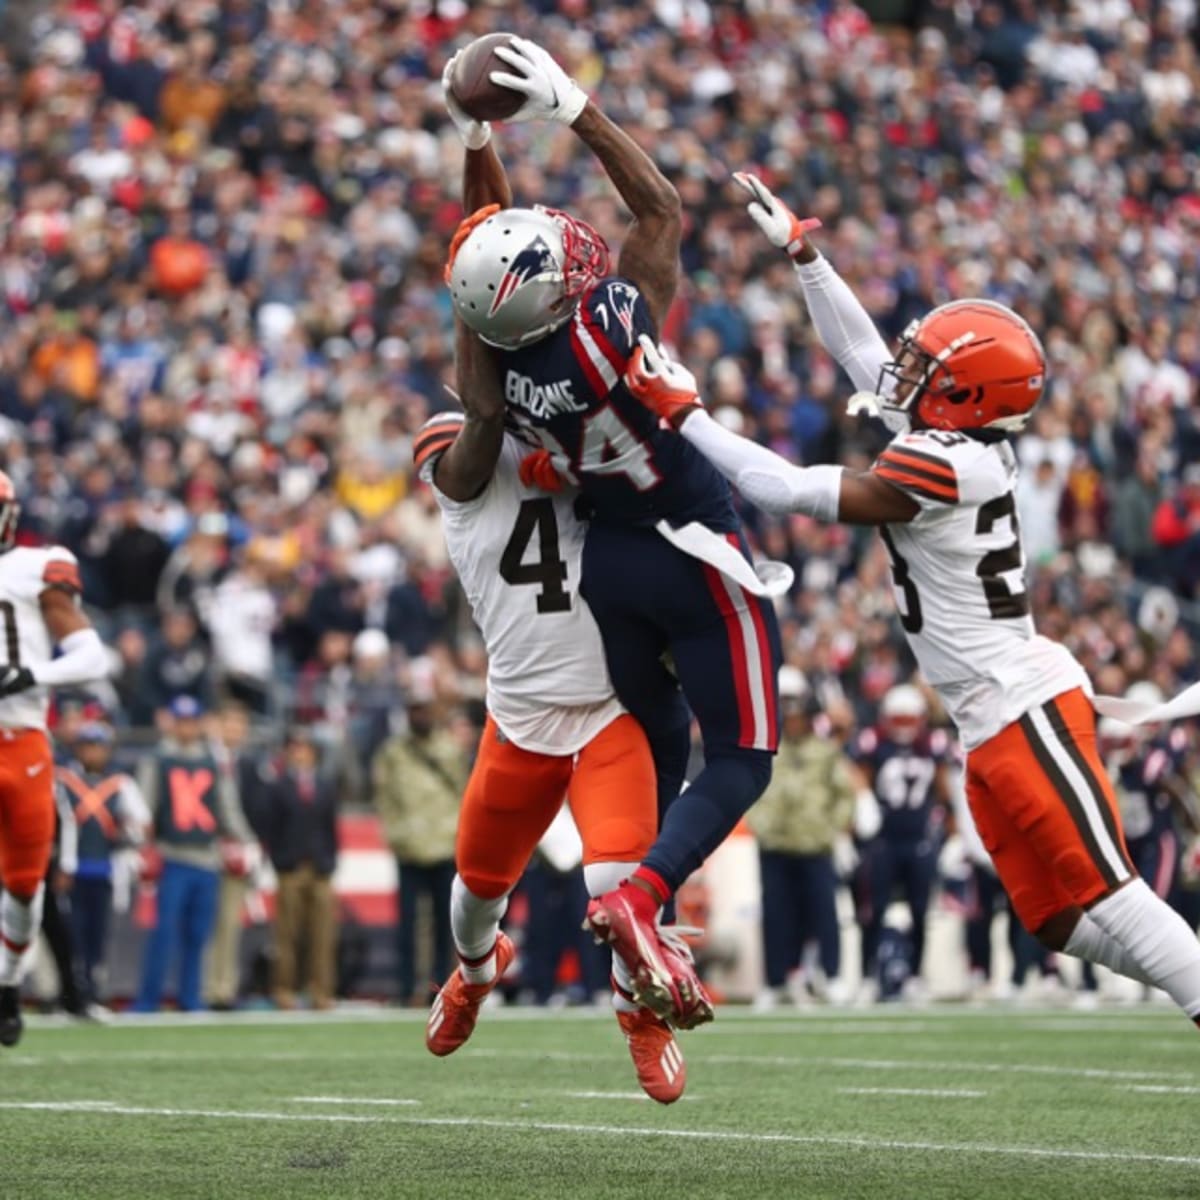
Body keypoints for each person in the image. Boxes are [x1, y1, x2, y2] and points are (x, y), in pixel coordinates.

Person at [620, 173, 1200, 1030]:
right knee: (1059, 919)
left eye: (930, 365)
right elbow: (865, 356)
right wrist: (806, 257)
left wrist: (688, 415)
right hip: (987, 720)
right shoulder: (955, 440)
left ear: (968, 396)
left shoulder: (949, 465)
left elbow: (785, 489)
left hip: (1022, 704)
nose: (906, 370)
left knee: (1113, 895)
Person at [443, 37, 783, 1029]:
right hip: (691, 539)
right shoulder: (611, 319)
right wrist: (572, 107)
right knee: (738, 760)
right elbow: (661, 208)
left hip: (616, 574)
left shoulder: (499, 386)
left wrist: (473, 137)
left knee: (660, 740)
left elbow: (482, 255)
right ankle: (644, 910)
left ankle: (635, 932)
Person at [409, 317, 683, 1103]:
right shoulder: (459, 446)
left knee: (620, 878)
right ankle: (475, 971)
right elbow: (473, 447)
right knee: (476, 890)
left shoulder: (578, 435)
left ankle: (640, 1016)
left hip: (606, 707)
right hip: (522, 715)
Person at [0, 470, 110, 1047]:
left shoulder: (33, 568)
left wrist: (29, 673)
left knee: (24, 885)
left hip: (22, 743)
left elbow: (93, 657)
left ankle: (8, 983)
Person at [746, 666, 857, 1009]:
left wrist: (831, 827)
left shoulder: (824, 751)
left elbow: (845, 794)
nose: (791, 716)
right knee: (776, 915)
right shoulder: (762, 750)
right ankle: (776, 981)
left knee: (824, 913)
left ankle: (832, 976)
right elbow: (745, 791)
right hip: (775, 844)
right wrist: (759, 824)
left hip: (814, 844)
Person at [134, 694, 254, 1012]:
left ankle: (191, 997)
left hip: (206, 857)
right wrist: (142, 846)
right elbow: (145, 809)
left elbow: (227, 809)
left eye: (191, 721)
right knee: (164, 933)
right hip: (172, 855)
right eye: (181, 721)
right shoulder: (158, 759)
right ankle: (149, 998)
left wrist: (248, 841)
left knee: (199, 936)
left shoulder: (212, 762)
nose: (187, 728)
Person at [852, 685, 951, 1003]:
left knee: (920, 911)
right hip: (882, 841)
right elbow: (859, 778)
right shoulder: (874, 743)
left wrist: (955, 835)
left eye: (910, 719)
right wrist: (863, 800)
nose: (905, 726)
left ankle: (915, 976)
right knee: (874, 911)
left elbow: (944, 791)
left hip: (919, 839)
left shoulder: (934, 744)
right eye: (899, 719)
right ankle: (868, 976)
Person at [372, 674, 465, 1010]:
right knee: (407, 924)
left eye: (425, 709)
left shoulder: (450, 749)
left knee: (445, 925)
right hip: (410, 846)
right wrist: (396, 834)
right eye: (415, 710)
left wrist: (457, 833)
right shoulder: (393, 752)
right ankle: (404, 986)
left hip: (443, 844)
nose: (420, 716)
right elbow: (384, 797)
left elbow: (465, 792)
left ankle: (439, 986)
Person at [57, 721, 148, 1010]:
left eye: (98, 747)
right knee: (69, 933)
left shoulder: (120, 784)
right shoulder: (63, 780)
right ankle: (69, 990)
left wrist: (127, 834)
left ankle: (93, 988)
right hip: (69, 869)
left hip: (105, 868)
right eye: (87, 746)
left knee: (98, 933)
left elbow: (141, 824)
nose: (93, 753)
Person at [261, 725, 339, 1011]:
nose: (301, 755)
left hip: (320, 867)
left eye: (305, 749)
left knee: (323, 935)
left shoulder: (325, 786)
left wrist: (330, 861)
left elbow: (330, 827)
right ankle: (284, 989)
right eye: (295, 749)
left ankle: (321, 990)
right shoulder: (278, 787)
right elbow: (272, 827)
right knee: (287, 934)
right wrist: (280, 861)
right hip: (291, 867)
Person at [205, 700, 265, 1010]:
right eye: (229, 723)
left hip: (238, 855)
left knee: (231, 923)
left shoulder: (250, 765)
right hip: (205, 850)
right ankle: (200, 987)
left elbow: (257, 808)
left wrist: (251, 845)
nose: (234, 731)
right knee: (203, 925)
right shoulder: (204, 759)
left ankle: (223, 989)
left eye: (240, 725)